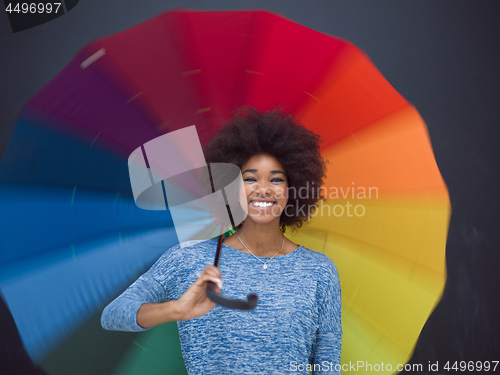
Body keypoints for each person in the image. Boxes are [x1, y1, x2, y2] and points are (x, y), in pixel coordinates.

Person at [101, 107, 342, 374]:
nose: (263, 189)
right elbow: (113, 314)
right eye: (250, 178)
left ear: (293, 188)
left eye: (276, 179)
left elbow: (327, 363)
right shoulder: (189, 260)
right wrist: (177, 310)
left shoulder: (319, 271)